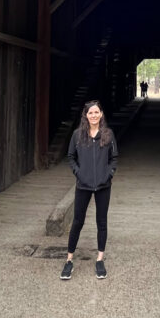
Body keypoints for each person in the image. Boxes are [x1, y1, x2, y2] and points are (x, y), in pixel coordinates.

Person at [60, 100, 118, 281]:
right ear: (86, 115)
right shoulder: (78, 135)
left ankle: (100, 259)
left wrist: (108, 175)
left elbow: (114, 158)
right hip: (83, 185)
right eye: (90, 113)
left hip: (103, 186)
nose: (93, 115)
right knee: (77, 221)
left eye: (96, 112)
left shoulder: (108, 134)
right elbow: (70, 156)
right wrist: (79, 173)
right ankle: (69, 260)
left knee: (102, 222)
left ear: (101, 114)